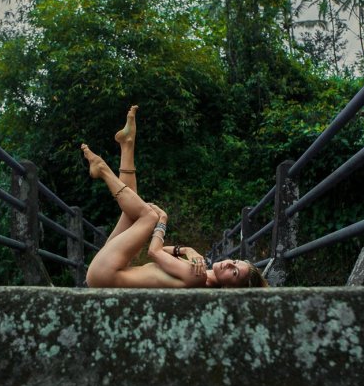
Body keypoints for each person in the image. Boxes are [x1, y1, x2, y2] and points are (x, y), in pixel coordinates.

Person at [82, 106, 268, 289]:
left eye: (234, 273)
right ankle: (127, 144)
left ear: (231, 288)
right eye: (234, 261)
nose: (228, 264)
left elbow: (154, 252)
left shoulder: (199, 277)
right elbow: (162, 251)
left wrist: (162, 220)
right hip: (107, 272)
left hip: (105, 275)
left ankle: (102, 169)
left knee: (149, 216)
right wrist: (186, 250)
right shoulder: (200, 271)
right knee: (131, 213)